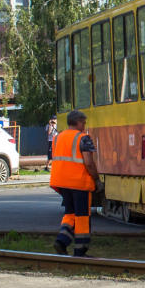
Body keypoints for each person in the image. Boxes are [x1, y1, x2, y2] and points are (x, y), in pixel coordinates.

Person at [50, 110, 101, 257]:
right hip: (79, 183)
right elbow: (89, 162)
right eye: (84, 123)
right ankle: (80, 251)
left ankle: (61, 241)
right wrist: (97, 180)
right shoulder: (83, 138)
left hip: (61, 182)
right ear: (78, 122)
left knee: (70, 213)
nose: (84, 125)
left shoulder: (57, 138)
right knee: (82, 217)